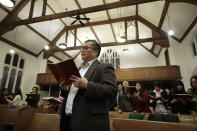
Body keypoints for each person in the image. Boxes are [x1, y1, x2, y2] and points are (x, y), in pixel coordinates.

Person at [59, 39, 117, 131]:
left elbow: (111, 91)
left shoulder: (104, 67)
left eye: (86, 48)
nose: (82, 50)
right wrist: (66, 89)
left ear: (95, 52)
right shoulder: (76, 69)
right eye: (82, 48)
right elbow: (75, 95)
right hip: (68, 121)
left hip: (89, 123)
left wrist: (87, 85)